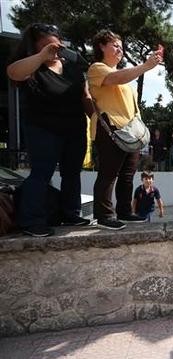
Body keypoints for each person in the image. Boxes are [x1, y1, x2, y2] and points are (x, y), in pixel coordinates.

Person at [7, 23, 92, 237]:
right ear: (34, 48)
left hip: (74, 127)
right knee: (41, 173)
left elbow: (85, 95)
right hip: (43, 128)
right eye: (46, 46)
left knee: (72, 173)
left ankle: (71, 213)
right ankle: (32, 220)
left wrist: (98, 118)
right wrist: (41, 57)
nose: (53, 50)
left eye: (56, 45)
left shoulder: (72, 67)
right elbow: (14, 73)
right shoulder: (32, 67)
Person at [88, 29, 162, 230]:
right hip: (110, 129)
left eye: (121, 46)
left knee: (128, 175)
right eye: (114, 45)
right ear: (101, 47)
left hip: (131, 132)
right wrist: (146, 66)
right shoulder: (97, 68)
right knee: (108, 173)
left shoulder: (126, 80)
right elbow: (116, 78)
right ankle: (104, 215)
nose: (119, 49)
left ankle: (124, 212)